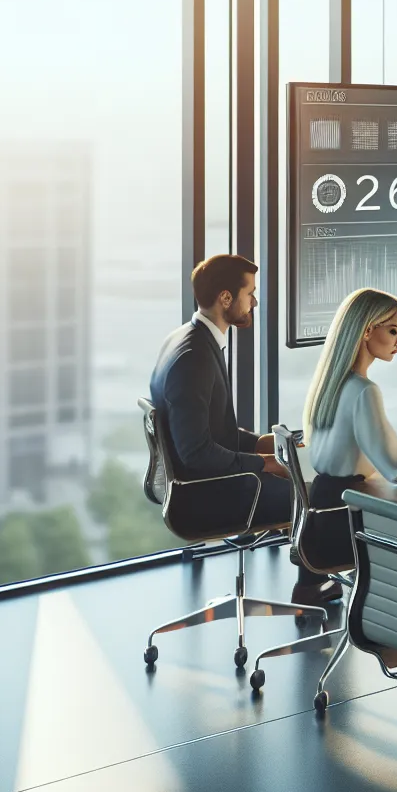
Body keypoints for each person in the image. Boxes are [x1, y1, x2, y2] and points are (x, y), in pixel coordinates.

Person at [148, 255, 334, 606]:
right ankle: (313, 584)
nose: (255, 302)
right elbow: (198, 453)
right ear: (226, 298)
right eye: (250, 293)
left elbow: (212, 431)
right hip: (208, 494)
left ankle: (311, 572)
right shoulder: (194, 358)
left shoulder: (188, 339)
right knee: (319, 494)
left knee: (297, 469)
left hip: (207, 483)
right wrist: (265, 464)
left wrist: (263, 444)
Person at [300, 288, 397, 565]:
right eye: (394, 331)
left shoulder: (330, 385)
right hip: (346, 522)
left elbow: (352, 445)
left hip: (320, 514)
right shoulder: (364, 391)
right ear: (366, 331)